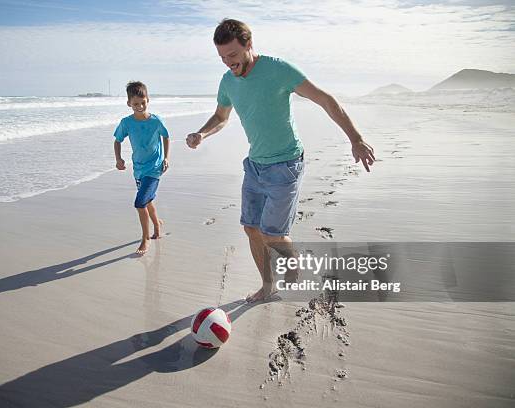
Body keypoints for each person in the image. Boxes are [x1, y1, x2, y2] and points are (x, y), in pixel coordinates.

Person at [186, 19, 375, 302]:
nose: (228, 63)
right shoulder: (228, 81)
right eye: (222, 58)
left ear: (249, 45)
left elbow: (325, 100)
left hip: (285, 164)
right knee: (251, 228)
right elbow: (221, 117)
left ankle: (292, 260)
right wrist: (202, 133)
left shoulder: (278, 70)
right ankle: (267, 284)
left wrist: (355, 138)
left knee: (272, 234)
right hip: (254, 165)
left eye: (233, 55)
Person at [114, 81, 170, 255]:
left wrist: (166, 158)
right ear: (129, 103)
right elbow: (117, 140)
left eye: (143, 102)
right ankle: (157, 226)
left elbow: (166, 137)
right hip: (138, 168)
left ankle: (145, 238)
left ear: (148, 100)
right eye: (135, 103)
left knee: (140, 203)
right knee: (148, 201)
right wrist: (119, 159)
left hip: (154, 169)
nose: (139, 106)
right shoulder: (126, 123)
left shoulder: (156, 121)